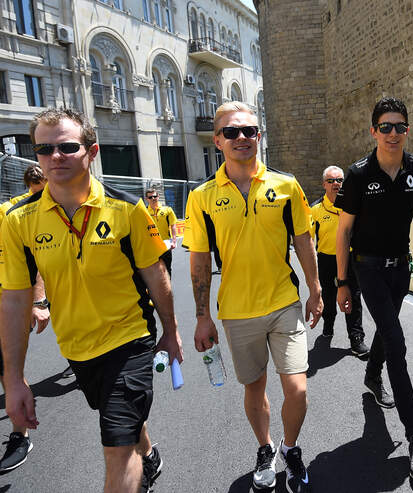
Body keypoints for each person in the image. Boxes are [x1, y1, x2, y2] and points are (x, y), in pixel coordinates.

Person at [0, 108, 183, 492]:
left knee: (117, 450)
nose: (56, 156)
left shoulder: (127, 207)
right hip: (77, 347)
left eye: (67, 146)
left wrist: (171, 330)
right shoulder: (18, 220)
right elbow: (15, 301)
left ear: (92, 151)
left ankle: (138, 462)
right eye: (45, 149)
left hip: (129, 338)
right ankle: (149, 453)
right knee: (122, 422)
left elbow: (156, 275)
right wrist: (14, 379)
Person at [184, 102, 322, 493]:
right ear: (218, 140)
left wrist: (316, 289)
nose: (241, 138)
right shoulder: (202, 197)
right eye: (231, 132)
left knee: (297, 388)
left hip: (284, 304)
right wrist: (201, 316)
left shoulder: (286, 185)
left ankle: (290, 447)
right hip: (237, 312)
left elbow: (302, 239)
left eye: (249, 131)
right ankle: (265, 448)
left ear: (259, 135)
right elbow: (198, 260)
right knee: (255, 389)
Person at [335, 97, 413, 479]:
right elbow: (343, 231)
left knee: (387, 334)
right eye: (385, 127)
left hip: (399, 269)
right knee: (397, 341)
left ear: (408, 131)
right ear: (373, 131)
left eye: (400, 127)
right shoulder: (358, 174)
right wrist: (342, 284)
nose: (393, 133)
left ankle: (373, 374)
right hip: (367, 268)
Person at [0, 165, 50, 473]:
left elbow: (32, 258)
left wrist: (38, 299)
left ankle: (20, 434)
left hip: (9, 298)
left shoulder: (10, 213)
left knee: (7, 366)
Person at [310, 165, 368, 356]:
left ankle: (356, 338)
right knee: (328, 295)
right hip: (327, 259)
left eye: (339, 180)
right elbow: (309, 240)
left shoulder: (353, 205)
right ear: (323, 184)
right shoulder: (315, 210)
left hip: (351, 258)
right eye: (331, 181)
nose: (336, 184)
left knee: (354, 297)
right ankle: (329, 323)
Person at [145, 187, 178, 277]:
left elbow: (173, 225)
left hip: (165, 243)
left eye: (155, 196)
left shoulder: (167, 209)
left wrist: (174, 241)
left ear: (158, 196)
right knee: (154, 270)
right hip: (152, 245)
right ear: (146, 199)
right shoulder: (144, 212)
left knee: (167, 268)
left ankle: (167, 289)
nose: (153, 199)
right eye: (150, 197)